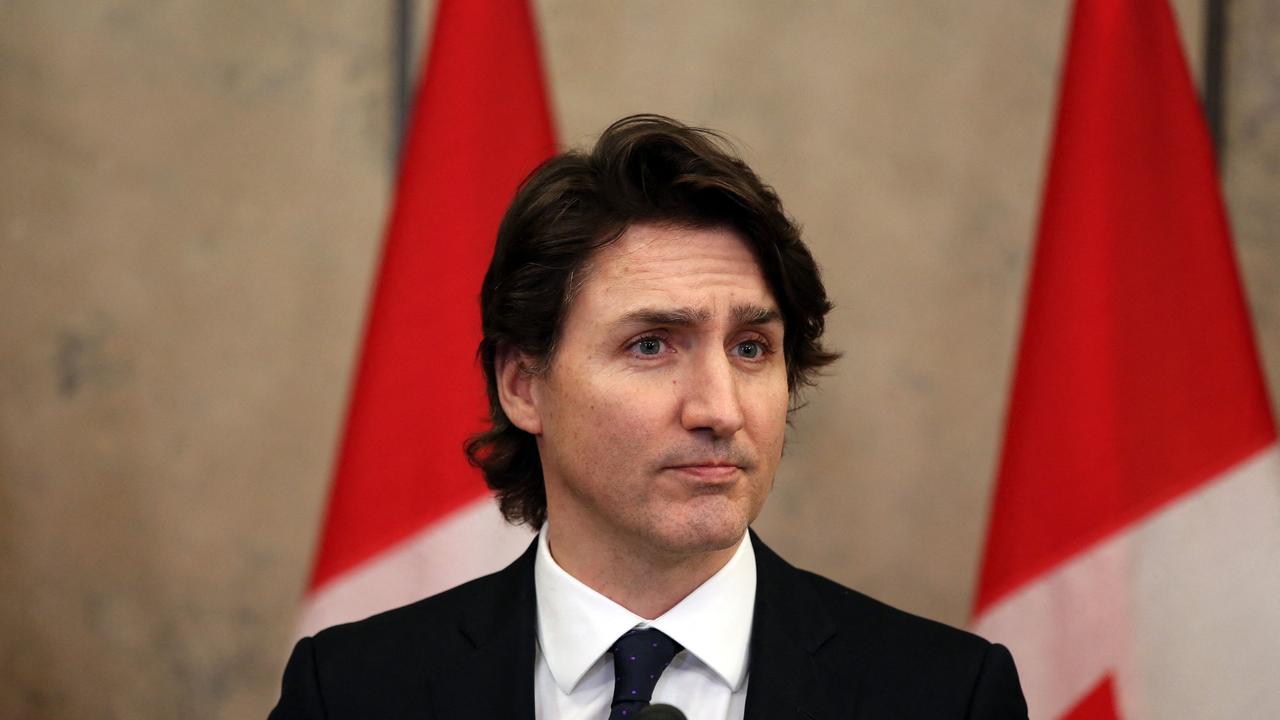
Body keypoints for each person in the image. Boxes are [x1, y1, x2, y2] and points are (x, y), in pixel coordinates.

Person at [269, 115, 1027, 719]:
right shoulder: (353, 693)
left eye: (752, 348)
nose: (720, 409)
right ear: (522, 385)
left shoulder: (944, 696)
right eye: (652, 344)